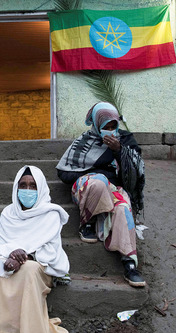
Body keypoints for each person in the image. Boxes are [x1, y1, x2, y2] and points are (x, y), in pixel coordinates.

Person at [0, 165, 70, 333]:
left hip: (40, 266)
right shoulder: (8, 213)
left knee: (27, 269)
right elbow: (0, 244)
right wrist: (11, 254)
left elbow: (50, 250)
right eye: (23, 185)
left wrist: (26, 255)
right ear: (15, 187)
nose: (27, 190)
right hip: (11, 259)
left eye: (32, 186)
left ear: (41, 189)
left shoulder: (50, 214)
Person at [56, 101, 146, 287]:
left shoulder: (125, 140)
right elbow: (64, 173)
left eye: (114, 126)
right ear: (97, 125)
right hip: (87, 188)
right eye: (106, 127)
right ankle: (86, 223)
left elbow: (136, 171)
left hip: (114, 189)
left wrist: (119, 151)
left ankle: (129, 264)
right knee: (98, 182)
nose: (111, 130)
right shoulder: (83, 142)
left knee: (122, 207)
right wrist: (95, 174)